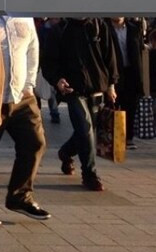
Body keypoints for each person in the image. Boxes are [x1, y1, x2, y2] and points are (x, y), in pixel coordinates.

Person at [0, 16, 50, 227]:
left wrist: (29, 84)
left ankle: (20, 196)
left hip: (22, 97)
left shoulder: (23, 14)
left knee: (35, 142)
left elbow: (33, 48)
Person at [42, 18, 119, 192]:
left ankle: (66, 152)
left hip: (97, 87)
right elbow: (48, 62)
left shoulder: (99, 25)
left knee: (87, 131)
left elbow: (110, 56)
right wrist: (57, 79)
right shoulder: (60, 29)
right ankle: (90, 173)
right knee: (85, 128)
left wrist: (111, 84)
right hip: (72, 90)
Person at [108, 18, 148, 151]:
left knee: (130, 106)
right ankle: (113, 137)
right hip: (114, 72)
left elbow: (140, 52)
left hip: (131, 72)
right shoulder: (105, 29)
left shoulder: (133, 29)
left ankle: (128, 137)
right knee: (114, 105)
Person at [34, 18, 61, 123]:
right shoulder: (44, 27)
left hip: (44, 60)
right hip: (41, 60)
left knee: (48, 88)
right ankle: (50, 112)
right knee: (45, 88)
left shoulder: (44, 27)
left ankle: (53, 112)